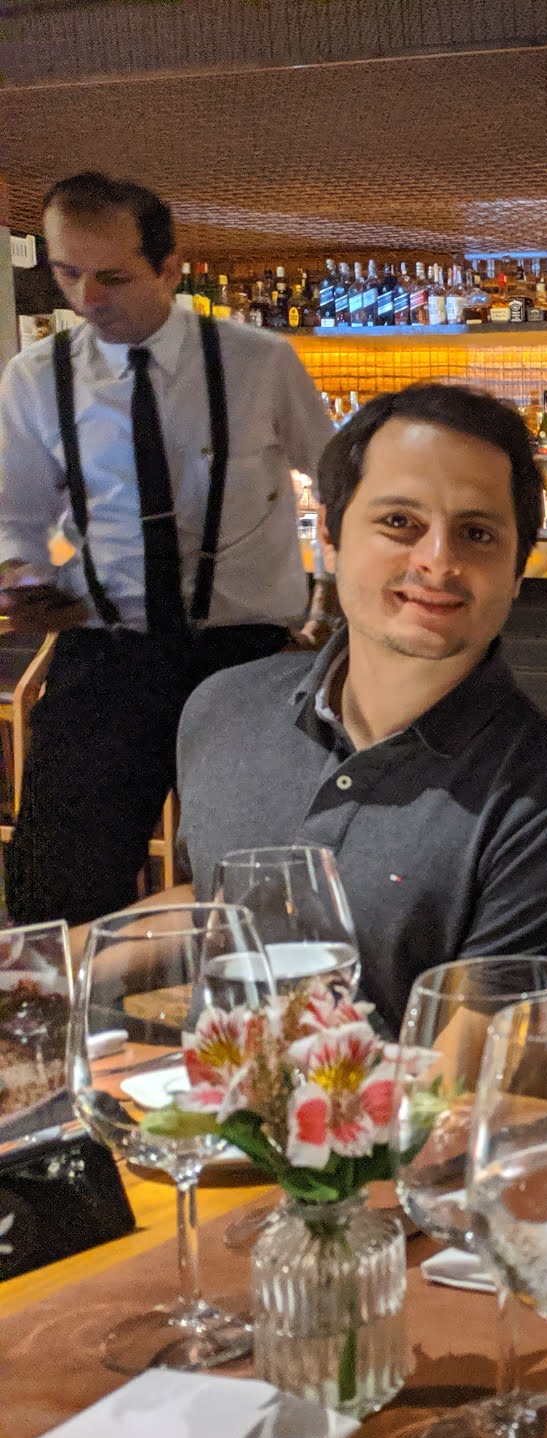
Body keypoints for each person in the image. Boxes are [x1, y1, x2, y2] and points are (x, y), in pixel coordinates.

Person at [173, 384, 547, 1027]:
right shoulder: (222, 710)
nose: (438, 562)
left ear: (517, 573)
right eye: (399, 523)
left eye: (476, 533)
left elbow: (462, 1076)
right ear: (330, 536)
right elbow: (207, 907)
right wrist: (54, 969)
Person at [0, 172, 333, 923]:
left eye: (112, 276)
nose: (87, 298)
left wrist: (335, 595)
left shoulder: (258, 362)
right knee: (57, 885)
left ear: (169, 269)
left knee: (265, 879)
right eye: (67, 272)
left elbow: (344, 480)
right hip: (105, 655)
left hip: (247, 657)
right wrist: (19, 572)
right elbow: (16, 513)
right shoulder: (35, 378)